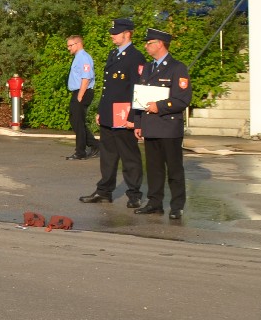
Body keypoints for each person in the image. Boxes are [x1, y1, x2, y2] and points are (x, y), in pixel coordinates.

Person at [79, 17, 145, 207]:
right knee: (107, 156)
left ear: (127, 34)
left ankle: (134, 194)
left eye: (116, 33)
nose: (112, 36)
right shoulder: (113, 54)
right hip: (110, 113)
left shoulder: (135, 57)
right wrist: (102, 110)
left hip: (124, 115)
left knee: (129, 156)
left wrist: (134, 118)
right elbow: (108, 88)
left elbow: (137, 89)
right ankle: (104, 191)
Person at [133, 27, 192, 219]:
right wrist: (138, 123)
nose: (146, 46)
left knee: (174, 169)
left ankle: (177, 206)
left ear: (160, 44)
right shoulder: (147, 68)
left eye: (149, 43)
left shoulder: (177, 68)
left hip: (168, 126)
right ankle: (154, 203)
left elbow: (182, 99)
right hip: (150, 125)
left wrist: (159, 106)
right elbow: (140, 96)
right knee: (154, 169)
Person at [65, 34, 96, 161]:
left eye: (70, 45)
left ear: (78, 44)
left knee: (78, 121)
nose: (68, 48)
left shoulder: (83, 57)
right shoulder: (78, 57)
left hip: (82, 92)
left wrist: (80, 95)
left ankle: (80, 152)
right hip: (78, 92)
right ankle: (95, 145)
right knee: (75, 121)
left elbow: (86, 77)